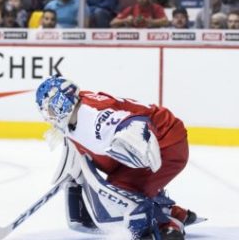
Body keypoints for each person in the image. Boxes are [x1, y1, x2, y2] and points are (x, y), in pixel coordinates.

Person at [35, 76, 198, 240]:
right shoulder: (76, 113)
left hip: (166, 142)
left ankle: (169, 224)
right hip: (163, 135)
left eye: (50, 109)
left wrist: (137, 137)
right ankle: (172, 211)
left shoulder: (92, 116)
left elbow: (134, 123)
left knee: (121, 199)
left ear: (61, 102)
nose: (48, 116)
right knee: (120, 188)